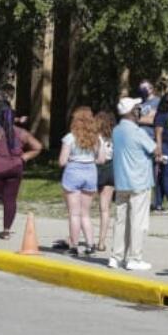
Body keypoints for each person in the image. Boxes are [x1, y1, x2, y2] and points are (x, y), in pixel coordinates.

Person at [0, 99, 41, 239]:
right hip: (15, 168)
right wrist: (24, 157)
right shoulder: (22, 133)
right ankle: (6, 231)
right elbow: (38, 146)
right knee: (10, 200)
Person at [109, 97, 156, 270]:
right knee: (138, 221)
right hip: (139, 182)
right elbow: (154, 149)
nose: (139, 111)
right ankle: (135, 258)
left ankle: (116, 256)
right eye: (137, 108)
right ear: (131, 112)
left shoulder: (116, 130)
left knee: (121, 220)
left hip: (121, 180)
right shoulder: (137, 132)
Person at [56, 107, 101, 256]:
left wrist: (71, 159)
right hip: (90, 172)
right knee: (85, 213)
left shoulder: (69, 138)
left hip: (73, 171)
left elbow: (62, 161)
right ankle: (90, 245)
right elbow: (101, 159)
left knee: (74, 214)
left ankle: (74, 246)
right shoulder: (96, 138)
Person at [94, 111, 115, 253]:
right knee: (105, 208)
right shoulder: (114, 137)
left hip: (97, 168)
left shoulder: (96, 137)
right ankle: (102, 241)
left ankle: (77, 237)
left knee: (85, 206)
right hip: (111, 169)